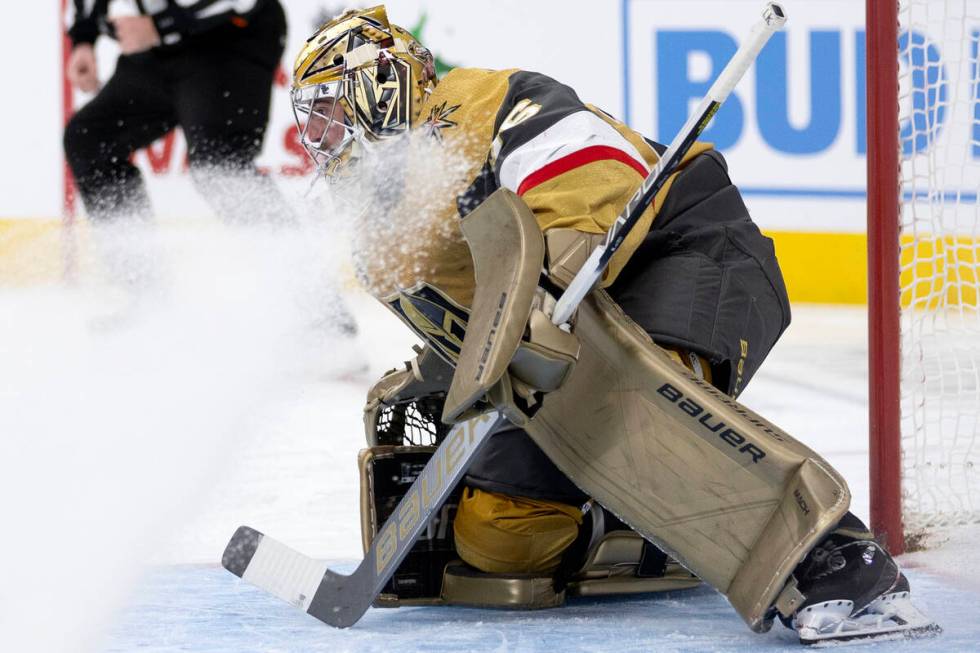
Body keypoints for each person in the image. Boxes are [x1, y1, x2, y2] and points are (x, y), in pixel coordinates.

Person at [289, 5, 936, 643]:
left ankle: (839, 559)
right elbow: (476, 327)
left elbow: (596, 175)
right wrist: (440, 371)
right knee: (499, 535)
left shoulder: (472, 104)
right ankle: (666, 523)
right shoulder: (379, 236)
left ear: (376, 84)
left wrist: (541, 292)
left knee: (631, 414)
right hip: (571, 338)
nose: (317, 135)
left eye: (327, 109)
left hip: (682, 246)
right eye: (309, 119)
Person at [64, 0, 291, 227]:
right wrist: (84, 37)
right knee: (90, 139)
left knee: (218, 163)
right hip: (159, 46)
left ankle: (291, 253)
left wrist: (160, 25)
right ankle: (132, 256)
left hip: (230, 37)